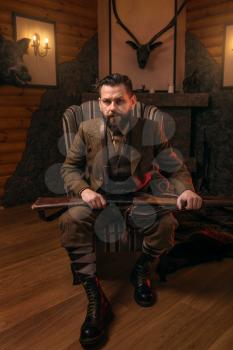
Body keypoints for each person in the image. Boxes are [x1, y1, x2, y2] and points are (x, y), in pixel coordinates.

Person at [59, 73, 202, 347]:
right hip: (97, 199)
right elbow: (69, 168)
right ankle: (95, 295)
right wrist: (84, 190)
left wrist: (185, 189)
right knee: (70, 222)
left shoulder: (151, 128)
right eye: (106, 101)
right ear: (99, 103)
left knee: (167, 225)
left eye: (119, 101)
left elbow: (175, 166)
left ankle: (142, 269)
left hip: (139, 197)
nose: (112, 108)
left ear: (132, 101)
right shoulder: (87, 129)